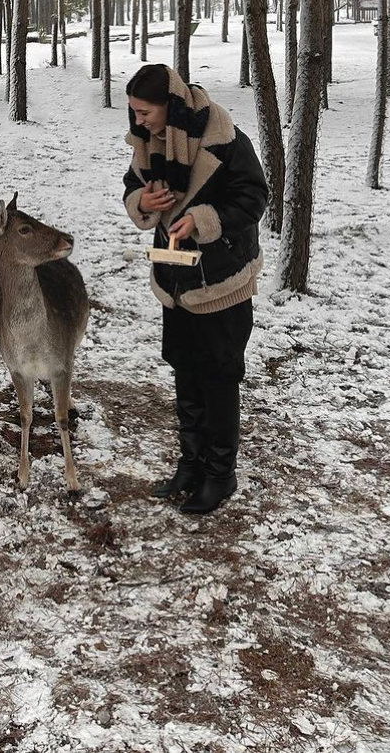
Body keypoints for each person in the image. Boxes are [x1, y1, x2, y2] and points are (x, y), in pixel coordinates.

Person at [122, 63, 268, 514]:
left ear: (171, 106)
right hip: (175, 279)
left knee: (219, 377)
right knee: (184, 369)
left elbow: (254, 196)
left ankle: (220, 475)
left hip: (221, 280)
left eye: (145, 112)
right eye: (134, 112)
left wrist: (203, 221)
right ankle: (191, 463)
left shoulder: (224, 137)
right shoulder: (150, 141)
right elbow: (133, 185)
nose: (138, 121)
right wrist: (140, 202)